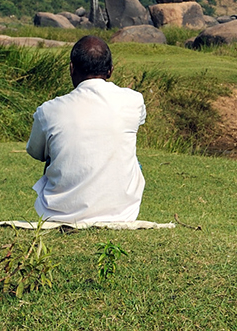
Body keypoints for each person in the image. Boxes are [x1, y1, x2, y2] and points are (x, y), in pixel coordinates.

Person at [26, 35, 147, 224]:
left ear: (72, 69)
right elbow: (137, 123)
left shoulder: (48, 110)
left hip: (57, 214)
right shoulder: (135, 100)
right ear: (110, 70)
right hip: (123, 213)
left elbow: (35, 152)